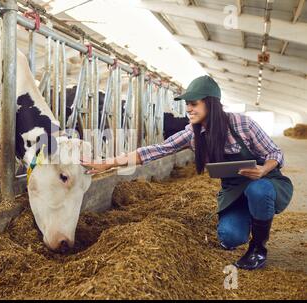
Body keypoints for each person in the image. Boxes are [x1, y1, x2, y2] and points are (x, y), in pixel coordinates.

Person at [81, 75, 293, 270]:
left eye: (194, 104)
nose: (188, 109)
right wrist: (108, 164)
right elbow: (154, 151)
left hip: (265, 182)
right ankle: (247, 217)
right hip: (235, 193)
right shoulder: (193, 133)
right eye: (187, 105)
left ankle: (258, 248)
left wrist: (263, 168)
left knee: (259, 191)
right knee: (229, 237)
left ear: (210, 103)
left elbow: (275, 152)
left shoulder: (242, 124)